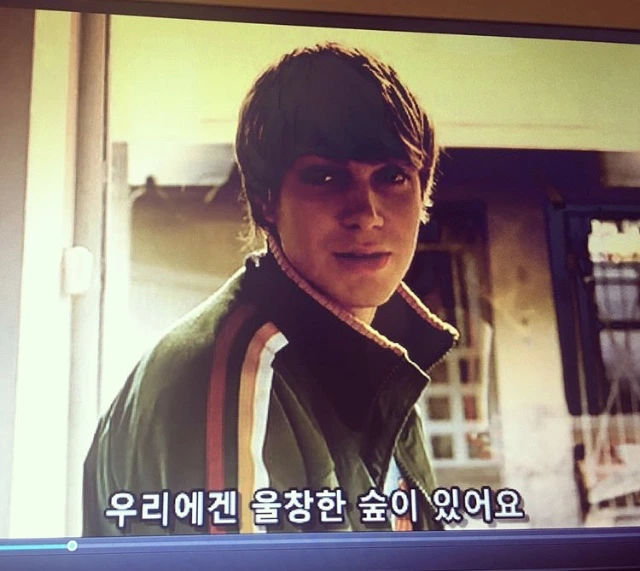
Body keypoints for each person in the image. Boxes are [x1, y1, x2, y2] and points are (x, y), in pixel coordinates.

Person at [83, 42, 458, 536]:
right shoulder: (237, 377)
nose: (366, 214)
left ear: (423, 192)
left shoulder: (384, 360)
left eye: (393, 176)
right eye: (325, 176)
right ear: (266, 202)